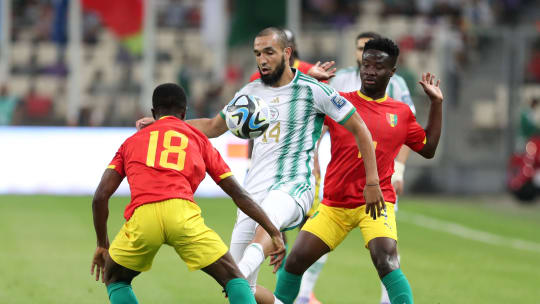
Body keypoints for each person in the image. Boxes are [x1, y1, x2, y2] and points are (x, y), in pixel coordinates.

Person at [136, 27, 384, 304]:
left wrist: (372, 182)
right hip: (252, 193)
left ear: (287, 53)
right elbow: (213, 127)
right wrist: (166, 123)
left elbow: (360, 128)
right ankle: (241, 277)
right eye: (257, 53)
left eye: (269, 52)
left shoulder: (314, 90)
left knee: (241, 267)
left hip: (294, 186)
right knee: (243, 290)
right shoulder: (250, 92)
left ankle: (240, 269)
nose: (262, 59)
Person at [274, 38, 444, 304]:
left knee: (386, 259)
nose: (370, 71)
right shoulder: (338, 102)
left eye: (378, 66)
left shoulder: (400, 113)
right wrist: (307, 81)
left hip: (376, 204)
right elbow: (294, 112)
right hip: (334, 205)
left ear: (392, 72)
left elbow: (428, 148)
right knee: (294, 261)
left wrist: (436, 105)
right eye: (366, 65)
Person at [90, 83, 286, 304]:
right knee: (233, 278)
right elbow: (238, 193)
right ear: (184, 113)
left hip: (143, 217)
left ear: (154, 113)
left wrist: (102, 244)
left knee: (115, 278)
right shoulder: (198, 139)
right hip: (182, 214)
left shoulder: (131, 142)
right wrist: (272, 230)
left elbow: (100, 196)